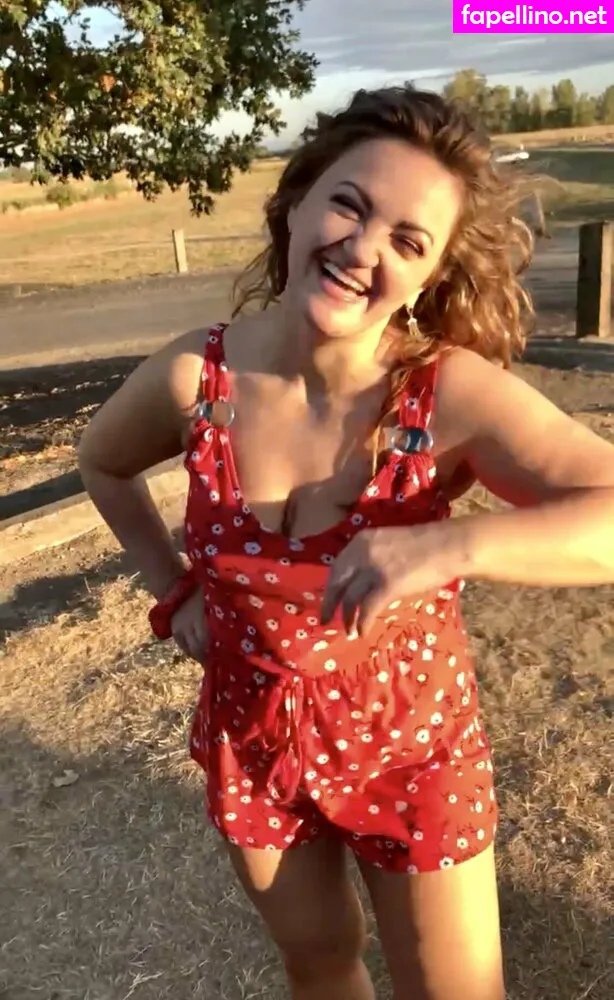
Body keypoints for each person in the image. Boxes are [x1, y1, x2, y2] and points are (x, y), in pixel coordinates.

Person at [77, 85, 614, 1000]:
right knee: (319, 963)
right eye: (349, 205)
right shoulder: (196, 376)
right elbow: (102, 462)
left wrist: (449, 548)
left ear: (431, 276)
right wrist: (175, 590)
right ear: (296, 203)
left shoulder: (445, 394)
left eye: (408, 241)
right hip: (254, 745)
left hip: (413, 751)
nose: (363, 249)